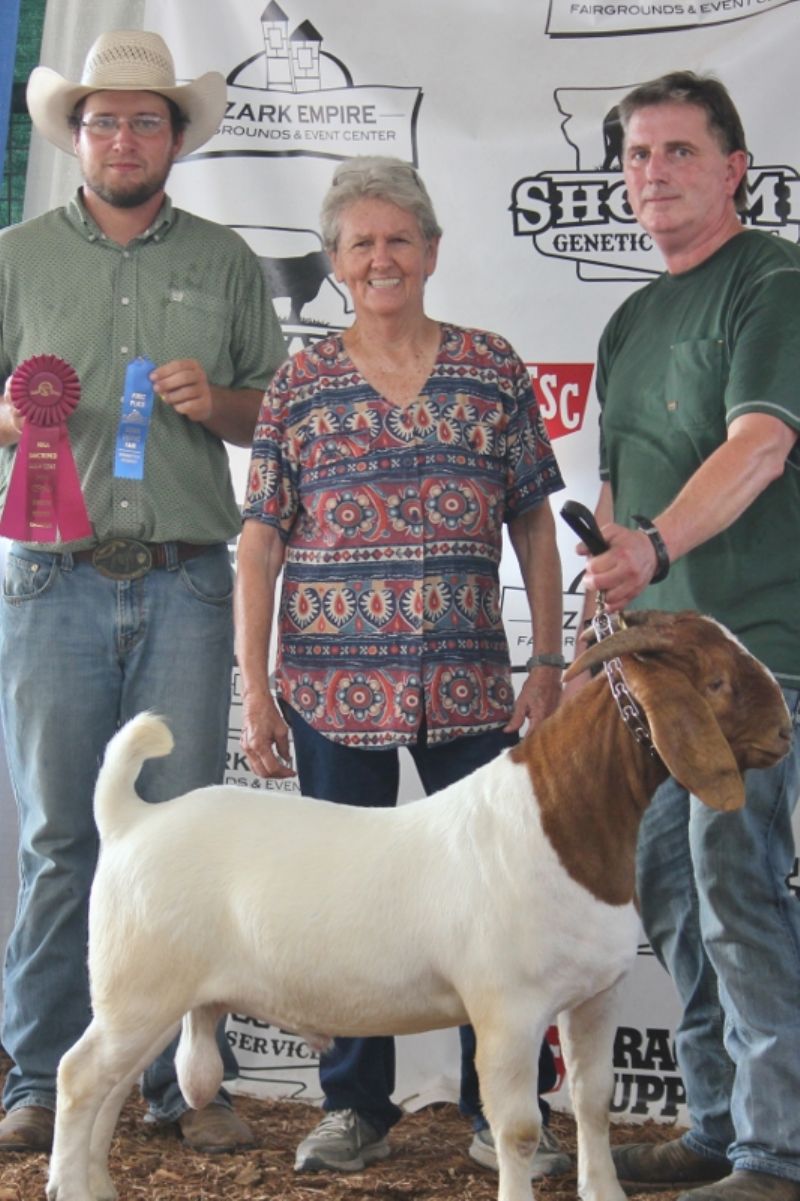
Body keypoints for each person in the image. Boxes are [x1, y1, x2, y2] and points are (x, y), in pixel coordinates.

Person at [234, 155, 571, 1181]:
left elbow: (533, 523)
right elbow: (259, 541)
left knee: (498, 904)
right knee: (347, 900)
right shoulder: (298, 382)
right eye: (358, 244)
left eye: (397, 239)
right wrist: (255, 687)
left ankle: (501, 1108)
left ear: (429, 250)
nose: (380, 258)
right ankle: (354, 1107)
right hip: (329, 688)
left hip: (470, 682)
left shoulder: (490, 365)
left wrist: (548, 656)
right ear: (334, 265)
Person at [0, 30, 286, 1154]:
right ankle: (38, 1076)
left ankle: (178, 1088)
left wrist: (215, 400)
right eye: (103, 119)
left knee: (173, 840)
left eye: (145, 119)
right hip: (51, 583)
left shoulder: (221, 261)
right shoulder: (15, 257)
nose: (123, 138)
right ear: (75, 136)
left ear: (174, 136)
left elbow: (272, 413)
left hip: (183, 582)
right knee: (62, 836)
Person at [574, 72, 800, 1201]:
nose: (648, 173)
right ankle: (715, 1123)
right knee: (669, 888)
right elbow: (616, 495)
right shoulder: (627, 321)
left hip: (752, 657)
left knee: (735, 882)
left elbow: (758, 446)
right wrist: (610, 579)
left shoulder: (772, 282)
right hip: (656, 667)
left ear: (731, 169)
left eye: (673, 151)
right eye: (632, 155)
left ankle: (776, 1151)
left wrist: (651, 550)